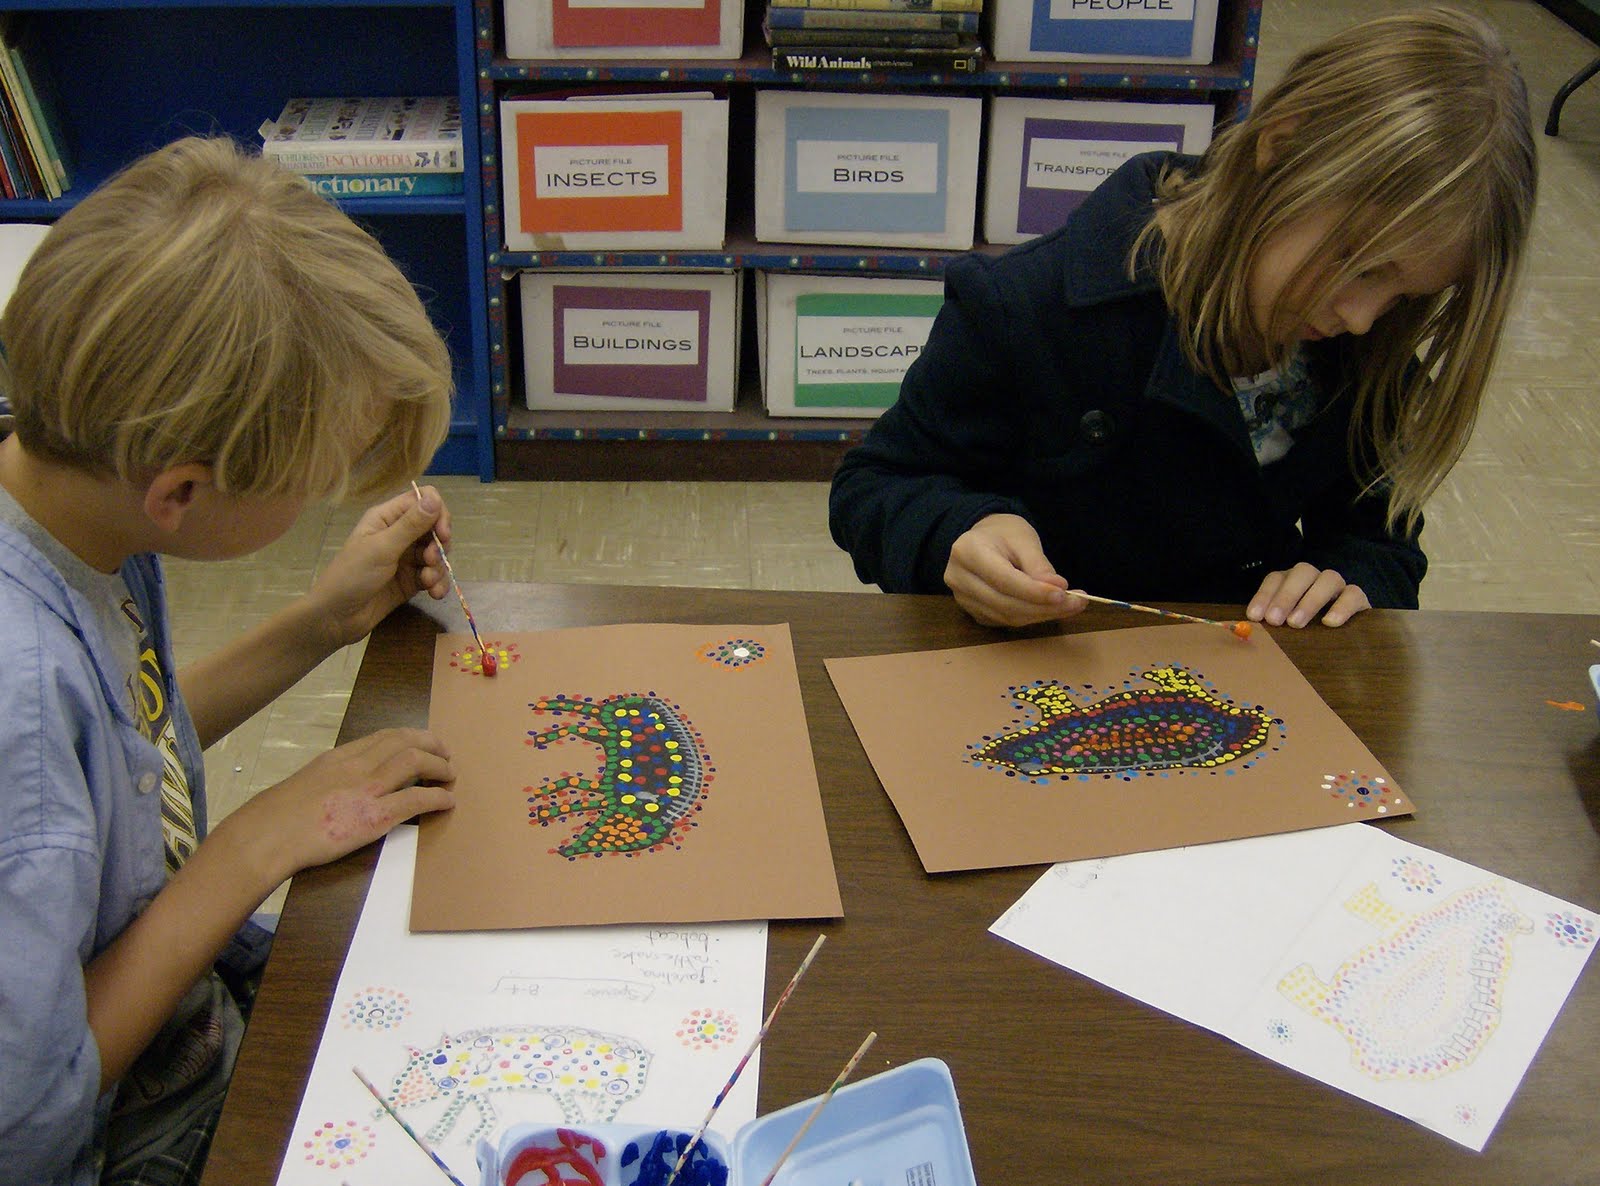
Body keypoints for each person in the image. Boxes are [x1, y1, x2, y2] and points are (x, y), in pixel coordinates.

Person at [0, 136, 462, 1185]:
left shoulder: (72, 506)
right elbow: (26, 1122)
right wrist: (250, 843)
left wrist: (318, 623)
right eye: (312, 479)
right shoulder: (14, 703)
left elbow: (116, 766)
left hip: (166, 986)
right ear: (181, 492)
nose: (322, 498)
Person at [829, 7, 1536, 629]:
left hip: (1234, 692)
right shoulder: (1026, 304)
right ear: (1281, 146)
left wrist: (1351, 578)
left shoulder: (1370, 349)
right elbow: (876, 486)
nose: (1362, 317)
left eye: (1407, 295)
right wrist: (960, 532)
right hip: (1034, 678)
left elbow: (1381, 538)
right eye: (1359, 263)